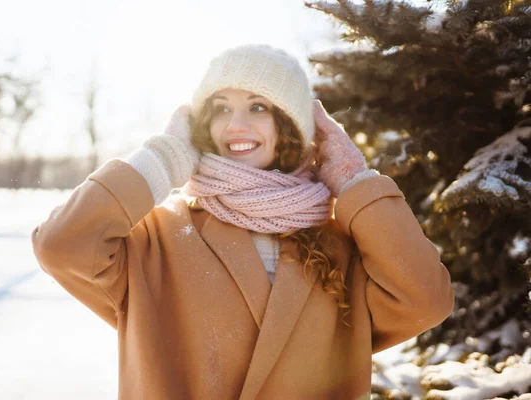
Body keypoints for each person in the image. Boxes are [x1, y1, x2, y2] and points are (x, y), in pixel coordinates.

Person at [31, 44, 453, 400]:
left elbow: (425, 301)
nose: (236, 124)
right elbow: (62, 246)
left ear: (289, 126)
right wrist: (160, 160)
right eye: (220, 109)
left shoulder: (343, 243)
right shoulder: (156, 237)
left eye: (257, 107)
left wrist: (354, 181)